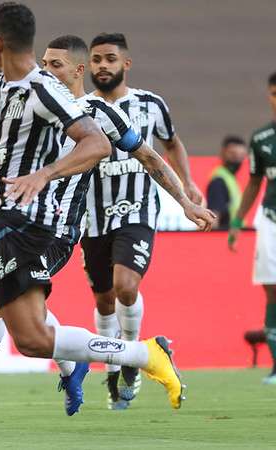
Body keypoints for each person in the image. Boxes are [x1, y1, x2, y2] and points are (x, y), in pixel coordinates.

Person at [0, 4, 211, 443]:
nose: (51, 69)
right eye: (47, 62)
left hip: (36, 223)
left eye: (58, 63)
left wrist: (44, 174)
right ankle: (145, 354)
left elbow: (105, 145)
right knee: (31, 339)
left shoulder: (51, 95)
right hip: (7, 215)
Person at [83, 32, 205, 409]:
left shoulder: (150, 105)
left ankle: (133, 362)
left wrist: (187, 182)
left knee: (126, 286)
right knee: (104, 300)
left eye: (110, 59)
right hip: (91, 217)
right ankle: (112, 372)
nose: (103, 66)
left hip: (137, 210)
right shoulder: (78, 108)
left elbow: (172, 142)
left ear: (126, 64)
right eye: (97, 59)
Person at [229, 71, 276, 385]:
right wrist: (236, 221)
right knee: (272, 290)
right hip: (271, 219)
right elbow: (254, 182)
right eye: (274, 92)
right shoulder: (261, 138)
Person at [207, 135, 247, 230]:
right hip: (224, 236)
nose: (237, 159)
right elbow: (214, 219)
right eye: (233, 154)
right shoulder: (219, 181)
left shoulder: (230, 179)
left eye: (241, 156)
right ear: (222, 153)